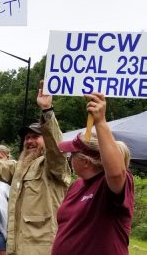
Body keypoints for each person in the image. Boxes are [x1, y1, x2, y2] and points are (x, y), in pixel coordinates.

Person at [0, 87, 71, 255]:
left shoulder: (54, 165)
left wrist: (47, 110)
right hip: (17, 244)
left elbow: (56, 148)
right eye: (27, 137)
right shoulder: (19, 167)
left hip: (44, 246)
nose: (30, 141)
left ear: (45, 139)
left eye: (35, 136)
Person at [51, 92, 135, 255]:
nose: (69, 158)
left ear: (86, 161)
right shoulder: (76, 185)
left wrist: (100, 122)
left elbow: (117, 174)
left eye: (72, 154)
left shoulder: (109, 185)